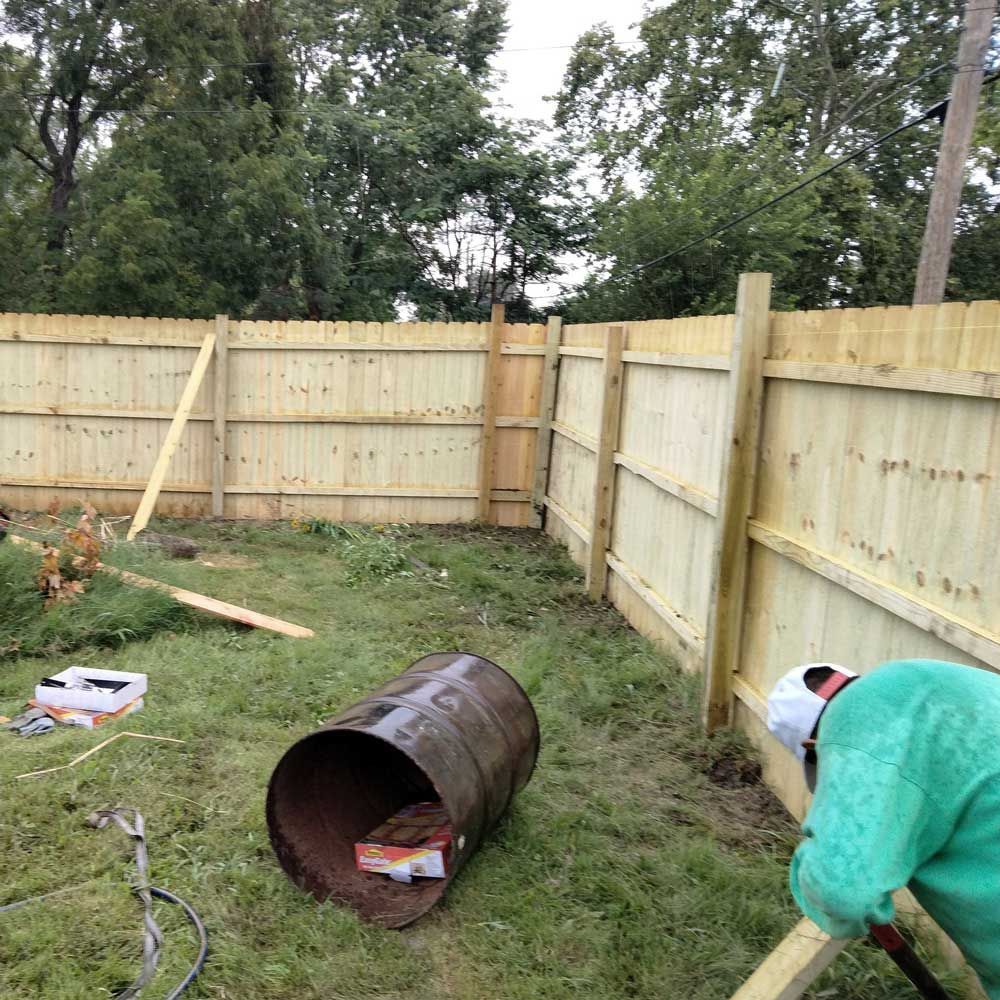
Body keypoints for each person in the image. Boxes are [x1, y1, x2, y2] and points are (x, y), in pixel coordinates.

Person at [767, 658, 1000, 999]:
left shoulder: (857, 721)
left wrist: (808, 863)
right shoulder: (931, 685)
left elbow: (842, 891)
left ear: (812, 747)